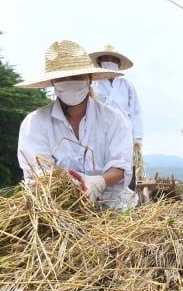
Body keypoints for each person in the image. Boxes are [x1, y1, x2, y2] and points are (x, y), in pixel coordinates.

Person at [16, 40, 136, 210]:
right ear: (52, 82)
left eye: (76, 77)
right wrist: (71, 184)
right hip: (58, 213)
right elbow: (37, 174)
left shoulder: (114, 119)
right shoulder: (35, 123)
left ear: (90, 79)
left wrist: (99, 182)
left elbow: (120, 166)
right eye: (61, 78)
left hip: (112, 209)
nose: (69, 82)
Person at [89, 45, 143, 190]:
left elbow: (136, 111)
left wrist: (137, 137)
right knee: (101, 165)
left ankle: (128, 201)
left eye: (113, 59)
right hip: (99, 133)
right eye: (105, 58)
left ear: (119, 64)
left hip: (124, 133)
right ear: (99, 62)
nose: (109, 61)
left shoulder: (127, 86)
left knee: (125, 166)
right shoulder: (93, 84)